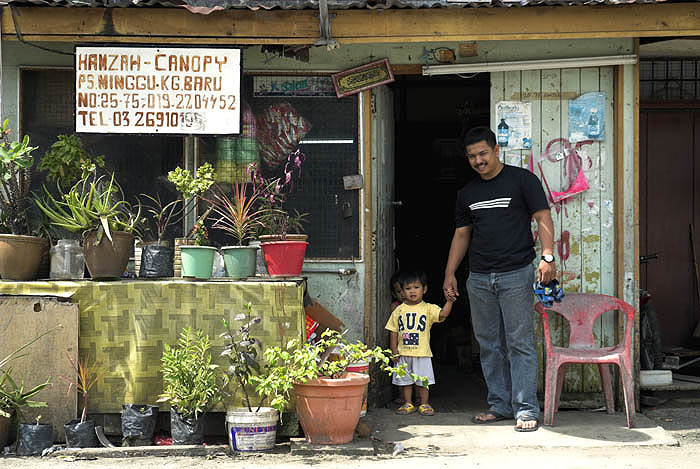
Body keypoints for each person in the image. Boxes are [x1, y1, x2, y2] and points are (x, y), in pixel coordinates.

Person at [443, 126, 556, 433]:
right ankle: (500, 404)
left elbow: (543, 218)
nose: (478, 161)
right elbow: (462, 234)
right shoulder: (468, 193)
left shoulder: (522, 180)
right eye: (472, 156)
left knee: (519, 343)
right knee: (489, 344)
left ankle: (525, 408)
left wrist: (547, 256)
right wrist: (450, 272)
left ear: (496, 150)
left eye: (483, 153)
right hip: (479, 278)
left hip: (516, 274)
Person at [386, 270, 454, 416]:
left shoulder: (428, 308)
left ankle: (424, 403)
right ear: (402, 292)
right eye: (408, 288)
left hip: (422, 353)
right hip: (404, 352)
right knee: (406, 381)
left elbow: (443, 314)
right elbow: (393, 331)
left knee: (423, 381)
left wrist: (449, 301)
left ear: (424, 289)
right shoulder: (398, 310)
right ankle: (408, 403)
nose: (412, 291)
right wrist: (394, 351)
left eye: (416, 287)